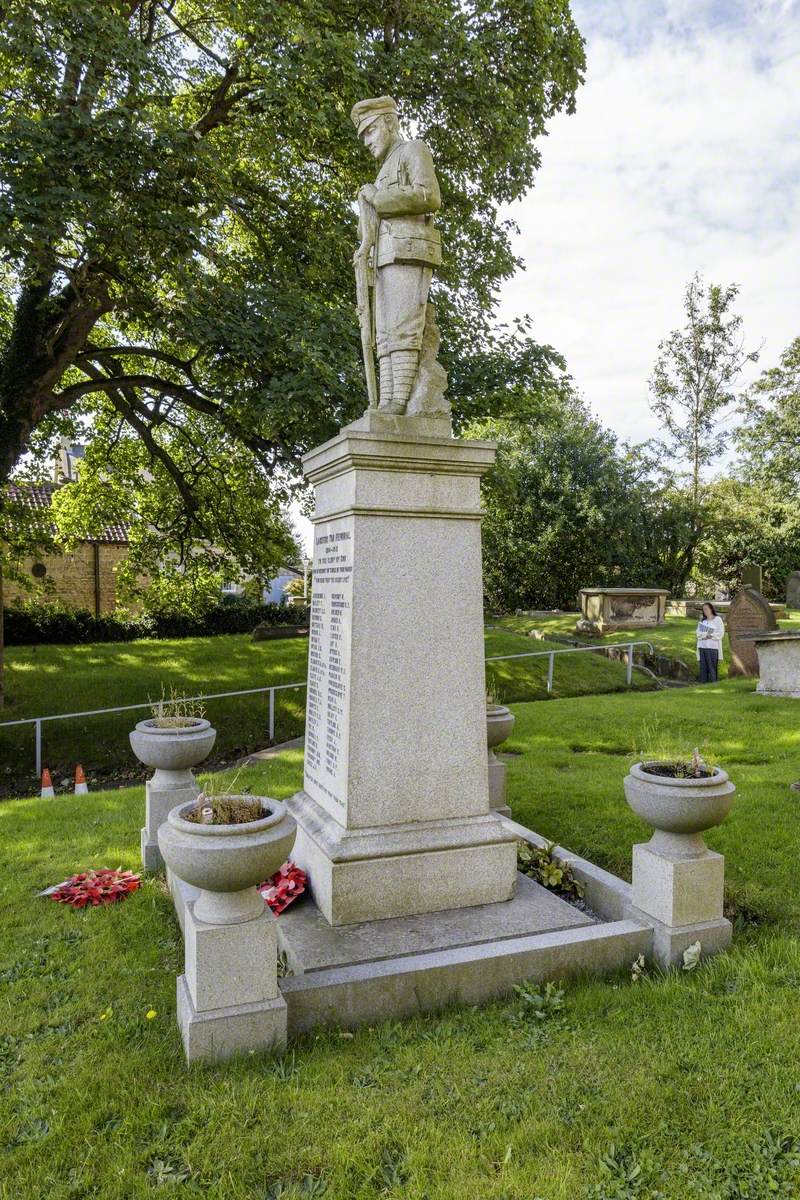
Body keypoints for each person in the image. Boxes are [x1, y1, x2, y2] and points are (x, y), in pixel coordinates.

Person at [351, 95, 442, 414]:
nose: (367, 141)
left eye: (371, 131)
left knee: (403, 327)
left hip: (408, 253)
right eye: (364, 135)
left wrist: (378, 198)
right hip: (383, 259)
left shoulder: (413, 150)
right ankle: (389, 399)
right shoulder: (383, 170)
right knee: (385, 334)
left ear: (389, 122)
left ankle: (399, 400)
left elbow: (428, 195)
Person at [696, 602, 725, 683]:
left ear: (711, 609)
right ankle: (703, 684)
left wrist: (711, 635)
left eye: (706, 609)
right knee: (703, 667)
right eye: (703, 609)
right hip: (702, 646)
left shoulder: (717, 619)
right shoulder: (703, 621)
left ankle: (713, 684)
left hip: (712, 647)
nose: (705, 611)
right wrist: (704, 635)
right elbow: (698, 633)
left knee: (711, 667)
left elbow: (720, 633)